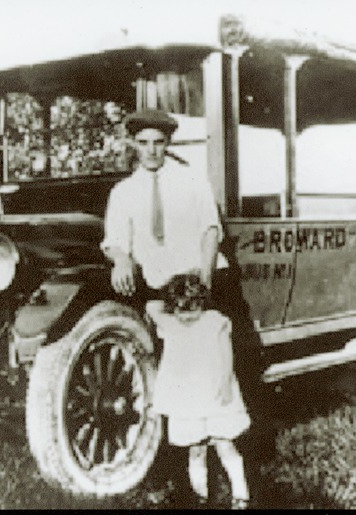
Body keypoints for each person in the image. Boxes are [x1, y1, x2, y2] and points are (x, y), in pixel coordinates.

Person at [146, 273, 251, 509]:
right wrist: (173, 299)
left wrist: (225, 384)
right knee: (196, 449)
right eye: (181, 311)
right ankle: (200, 496)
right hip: (188, 398)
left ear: (202, 303)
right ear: (173, 309)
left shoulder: (215, 322)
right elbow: (151, 306)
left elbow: (226, 355)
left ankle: (240, 492)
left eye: (193, 309)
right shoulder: (170, 323)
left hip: (214, 392)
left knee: (225, 443)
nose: (187, 317)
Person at [100, 109, 228, 298]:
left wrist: (205, 280)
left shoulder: (193, 180)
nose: (151, 151)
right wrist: (121, 260)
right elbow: (115, 241)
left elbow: (210, 229)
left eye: (158, 142)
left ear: (168, 142)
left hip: (198, 277)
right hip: (155, 283)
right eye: (143, 143)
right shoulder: (123, 192)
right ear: (134, 144)